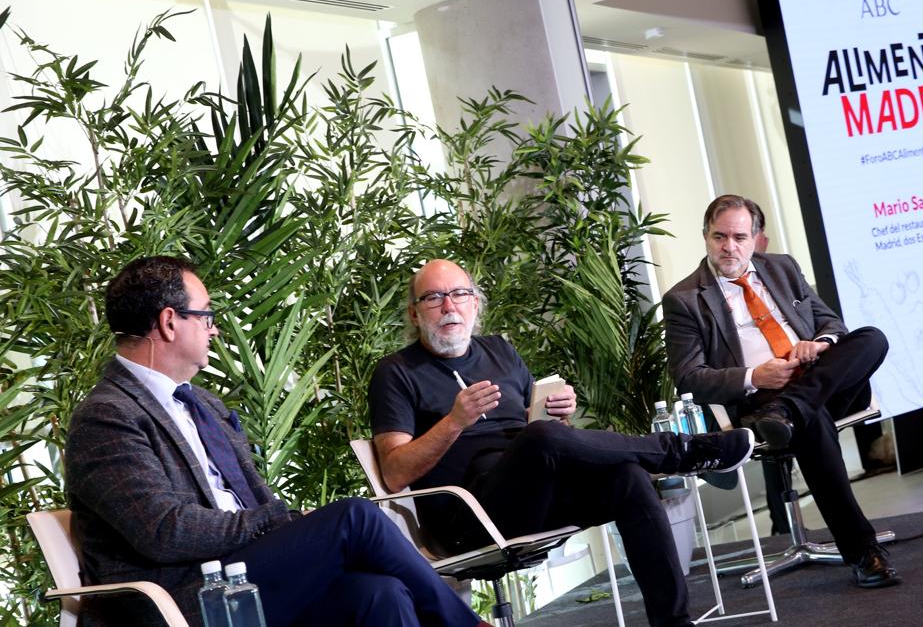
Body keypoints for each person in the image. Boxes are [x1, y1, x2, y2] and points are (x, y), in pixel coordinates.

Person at [65, 256, 484, 627]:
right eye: (207, 316)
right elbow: (164, 530)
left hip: (243, 574)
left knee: (379, 594)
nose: (214, 330)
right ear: (170, 321)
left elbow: (249, 497)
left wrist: (286, 523)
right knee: (355, 518)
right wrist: (274, 520)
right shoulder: (108, 416)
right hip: (183, 598)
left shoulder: (202, 404)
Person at [368, 259, 755, 627]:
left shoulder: (500, 351)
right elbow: (395, 471)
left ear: (475, 303)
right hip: (468, 520)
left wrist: (558, 414)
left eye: (459, 293)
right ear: (415, 313)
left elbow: (540, 434)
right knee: (542, 437)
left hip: (534, 495)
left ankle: (674, 622)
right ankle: (681, 451)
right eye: (433, 297)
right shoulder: (396, 373)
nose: (448, 306)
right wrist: (454, 422)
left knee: (628, 477)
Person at [662, 195, 898, 589]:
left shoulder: (783, 268)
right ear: (705, 236)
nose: (729, 247)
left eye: (739, 236)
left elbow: (832, 323)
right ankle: (862, 552)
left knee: (872, 338)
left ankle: (792, 408)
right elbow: (689, 377)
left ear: (757, 238)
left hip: (817, 381)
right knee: (813, 420)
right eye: (719, 236)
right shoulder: (684, 300)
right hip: (760, 400)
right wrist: (756, 375)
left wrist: (819, 343)